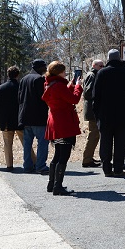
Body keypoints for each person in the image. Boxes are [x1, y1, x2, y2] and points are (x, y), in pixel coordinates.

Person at [41, 61, 83, 195]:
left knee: (57, 154)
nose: (65, 73)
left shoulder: (49, 83)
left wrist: (70, 86)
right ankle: (57, 187)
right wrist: (78, 87)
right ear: (59, 72)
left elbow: (63, 97)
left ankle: (52, 184)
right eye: (64, 71)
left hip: (54, 121)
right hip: (64, 122)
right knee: (63, 155)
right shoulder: (59, 85)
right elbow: (74, 99)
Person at [93, 49, 125, 177]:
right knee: (120, 143)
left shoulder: (102, 73)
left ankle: (106, 168)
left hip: (105, 114)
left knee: (105, 142)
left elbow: (96, 96)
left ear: (108, 59)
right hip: (123, 113)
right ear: (119, 58)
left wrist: (96, 113)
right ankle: (118, 168)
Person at [0, 66, 35, 171]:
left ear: (8, 75)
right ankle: (34, 162)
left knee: (8, 144)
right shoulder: (21, 87)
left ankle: (9, 165)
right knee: (26, 143)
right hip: (19, 119)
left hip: (6, 121)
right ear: (18, 75)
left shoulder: (0, 88)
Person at [18, 59, 50, 174]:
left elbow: (20, 97)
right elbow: (44, 97)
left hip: (25, 116)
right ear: (40, 67)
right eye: (44, 67)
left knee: (27, 143)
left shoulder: (24, 79)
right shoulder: (39, 79)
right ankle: (41, 166)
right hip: (38, 116)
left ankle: (27, 165)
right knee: (42, 142)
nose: (45, 69)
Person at [81, 59, 104, 168]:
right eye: (100, 65)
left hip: (92, 109)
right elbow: (88, 92)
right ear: (94, 65)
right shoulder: (92, 75)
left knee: (95, 135)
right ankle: (87, 159)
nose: (102, 67)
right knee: (93, 134)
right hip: (92, 109)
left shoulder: (94, 74)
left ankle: (89, 157)